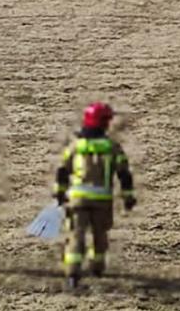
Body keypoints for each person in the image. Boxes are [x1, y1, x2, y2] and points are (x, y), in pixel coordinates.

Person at [54, 102, 136, 289]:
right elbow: (124, 174)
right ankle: (97, 267)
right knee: (100, 235)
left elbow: (62, 171)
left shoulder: (76, 145)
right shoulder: (111, 147)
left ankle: (72, 273)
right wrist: (128, 197)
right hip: (102, 201)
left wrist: (59, 193)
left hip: (77, 199)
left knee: (76, 235)